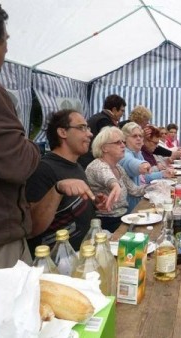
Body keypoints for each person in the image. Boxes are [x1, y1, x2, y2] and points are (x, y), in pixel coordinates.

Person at [0, 0, 41, 280]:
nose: (7, 49)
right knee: (9, 318)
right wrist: (32, 146)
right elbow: (15, 164)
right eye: (6, 40)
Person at [26, 109, 108, 254]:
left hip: (86, 253)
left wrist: (93, 203)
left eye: (88, 128)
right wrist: (57, 189)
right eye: (82, 127)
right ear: (63, 132)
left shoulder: (76, 165)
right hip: (59, 263)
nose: (90, 134)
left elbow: (67, 209)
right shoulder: (43, 169)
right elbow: (32, 228)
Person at [86, 126, 146, 232]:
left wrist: (155, 187)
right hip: (106, 224)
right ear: (104, 148)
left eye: (123, 142)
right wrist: (115, 184)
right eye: (118, 142)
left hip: (122, 218)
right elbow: (107, 177)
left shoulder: (118, 167)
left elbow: (134, 190)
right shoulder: (97, 165)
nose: (123, 145)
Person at [78, 94, 126, 168]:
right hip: (90, 161)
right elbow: (110, 144)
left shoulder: (98, 117)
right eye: (122, 111)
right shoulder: (104, 121)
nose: (123, 114)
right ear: (114, 109)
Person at [119, 122, 152, 212]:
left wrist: (162, 174)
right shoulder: (124, 154)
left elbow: (145, 178)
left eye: (140, 136)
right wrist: (141, 165)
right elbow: (129, 163)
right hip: (129, 209)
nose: (138, 139)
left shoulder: (138, 153)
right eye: (134, 136)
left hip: (139, 202)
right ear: (125, 139)